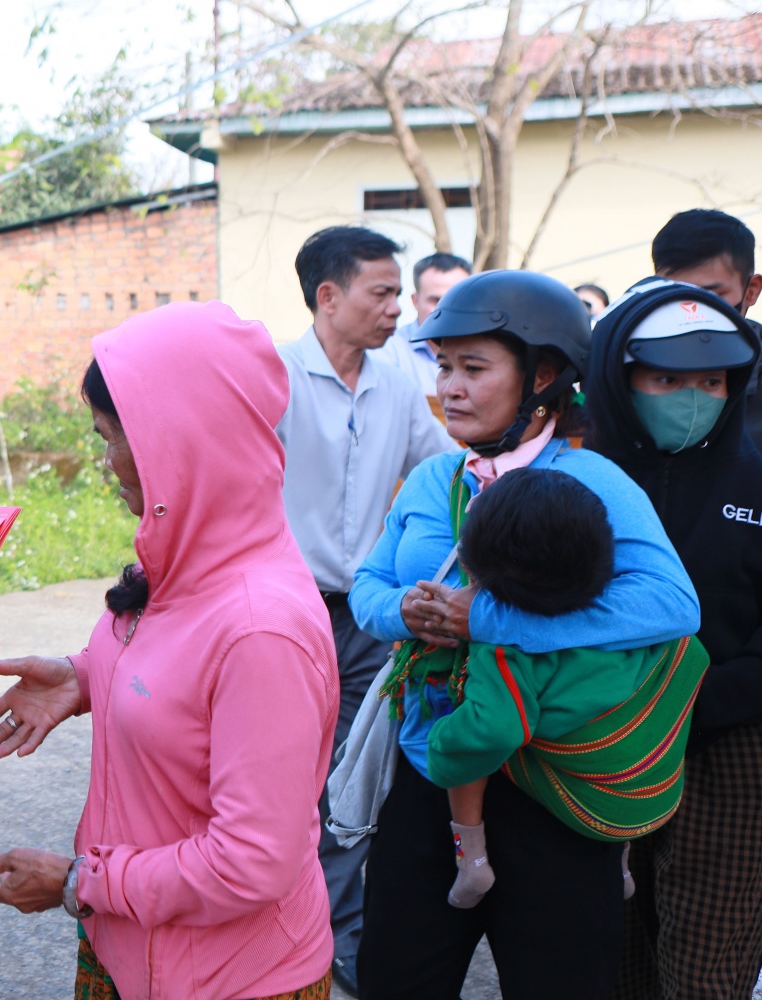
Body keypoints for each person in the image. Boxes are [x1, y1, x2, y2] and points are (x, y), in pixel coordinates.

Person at [0, 301, 339, 1000]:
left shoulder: (262, 629)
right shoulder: (192, 554)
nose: (105, 462)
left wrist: (82, 880)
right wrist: (84, 677)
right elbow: (179, 674)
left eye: (113, 439)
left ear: (179, 444)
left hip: (228, 979)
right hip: (127, 945)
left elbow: (252, 862)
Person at [348, 270, 700, 1000]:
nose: (450, 387)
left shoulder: (595, 481)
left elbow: (671, 604)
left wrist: (484, 620)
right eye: (444, 366)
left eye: (474, 368)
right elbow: (367, 587)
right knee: (394, 978)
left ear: (542, 377)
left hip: (552, 791)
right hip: (431, 772)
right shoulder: (432, 479)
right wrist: (402, 612)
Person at [280, 226, 455, 992]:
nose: (396, 310)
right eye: (382, 293)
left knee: (355, 775)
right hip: (285, 617)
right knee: (281, 773)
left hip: (367, 618)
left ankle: (337, 933)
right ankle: (278, 917)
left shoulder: (396, 383)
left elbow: (446, 468)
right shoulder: (274, 378)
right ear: (329, 296)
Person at [582, 278, 762, 1000]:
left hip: (731, 744)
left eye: (712, 381)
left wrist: (703, 698)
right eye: (667, 379)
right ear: (619, 379)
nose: (692, 397)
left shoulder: (755, 477)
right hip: (598, 739)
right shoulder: (576, 480)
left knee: (707, 963)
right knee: (610, 947)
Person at [415, 467, 704, 912]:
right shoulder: (637, 625)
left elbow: (491, 731)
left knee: (470, 739)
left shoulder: (506, 653)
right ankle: (620, 865)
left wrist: (438, 741)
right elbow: (693, 657)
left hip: (591, 807)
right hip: (651, 796)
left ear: (475, 567)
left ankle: (471, 858)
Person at [650, 208, 762, 452]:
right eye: (676, 294)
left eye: (711, 296)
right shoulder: (635, 362)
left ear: (751, 291)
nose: (692, 310)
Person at [372, 252, 473, 395]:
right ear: (415, 301)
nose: (448, 310)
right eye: (436, 300)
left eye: (457, 300)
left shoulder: (487, 352)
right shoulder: (387, 351)